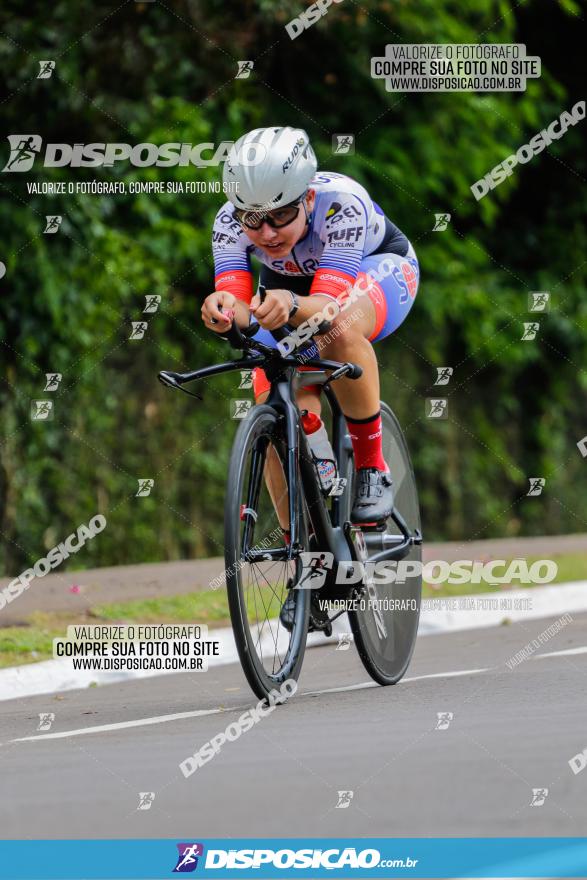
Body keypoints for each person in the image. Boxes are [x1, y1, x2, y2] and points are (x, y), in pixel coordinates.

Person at [201, 126, 419, 525]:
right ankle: (302, 553)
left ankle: (373, 469)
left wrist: (292, 301)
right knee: (273, 400)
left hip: (375, 268)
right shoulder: (228, 222)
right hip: (288, 288)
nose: (266, 234)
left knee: (338, 331)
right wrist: (223, 310)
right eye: (253, 219)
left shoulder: (341, 206)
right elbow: (238, 305)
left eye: (281, 215)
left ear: (309, 198)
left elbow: (328, 309)